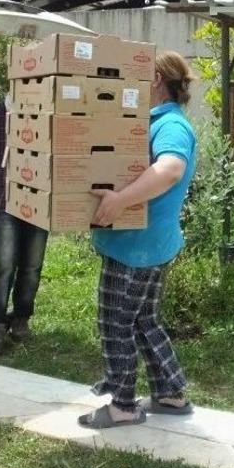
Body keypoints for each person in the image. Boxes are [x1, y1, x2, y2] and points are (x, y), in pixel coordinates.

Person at [77, 50, 197, 429]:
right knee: (144, 320)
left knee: (116, 322)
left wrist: (119, 201)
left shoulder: (171, 126)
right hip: (147, 244)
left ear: (157, 80)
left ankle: (124, 406)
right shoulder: (154, 120)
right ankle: (171, 393)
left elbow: (171, 169)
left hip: (137, 247)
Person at [0, 93, 49, 356]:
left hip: (39, 203)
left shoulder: (48, 110)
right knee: (3, 265)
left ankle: (21, 317)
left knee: (32, 266)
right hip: (5, 203)